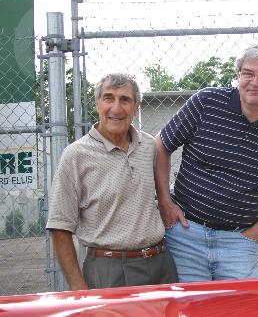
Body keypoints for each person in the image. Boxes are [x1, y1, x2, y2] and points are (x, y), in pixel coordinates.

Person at [155, 44, 258, 282]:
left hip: (239, 242)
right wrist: (164, 201)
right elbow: (161, 145)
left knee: (240, 307)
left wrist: (256, 233)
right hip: (185, 234)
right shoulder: (206, 102)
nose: (255, 81)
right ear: (238, 76)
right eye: (248, 73)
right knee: (189, 308)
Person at [46, 73, 178, 290]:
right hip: (110, 270)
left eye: (125, 99)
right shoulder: (76, 155)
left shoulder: (148, 146)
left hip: (161, 264)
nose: (116, 108)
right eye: (109, 98)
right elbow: (60, 225)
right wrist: (78, 285)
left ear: (136, 107)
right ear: (98, 103)